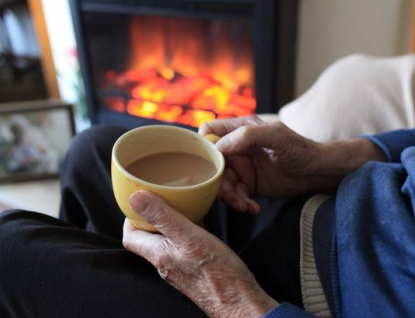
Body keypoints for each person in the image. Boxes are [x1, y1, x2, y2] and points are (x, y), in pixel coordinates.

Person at [1, 53, 415, 317]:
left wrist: (240, 304)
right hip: (322, 208)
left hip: (303, 300)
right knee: (92, 150)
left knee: (10, 251)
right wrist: (324, 162)